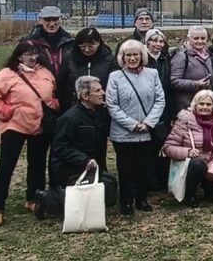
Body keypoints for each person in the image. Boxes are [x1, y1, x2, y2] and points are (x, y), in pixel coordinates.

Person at [0, 41, 60, 227]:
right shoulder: (7, 74)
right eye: (27, 54)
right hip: (15, 126)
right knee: (6, 166)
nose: (32, 57)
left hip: (40, 126)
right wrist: (6, 112)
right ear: (19, 56)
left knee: (37, 164)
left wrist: (54, 104)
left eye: (34, 53)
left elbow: (52, 93)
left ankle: (34, 199)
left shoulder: (45, 72)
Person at [32, 76, 117, 220]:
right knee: (105, 188)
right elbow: (60, 148)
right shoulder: (70, 118)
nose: (103, 93)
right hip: (69, 167)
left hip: (89, 165)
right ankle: (46, 200)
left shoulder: (98, 113)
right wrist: (84, 160)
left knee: (111, 185)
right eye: (98, 90)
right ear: (85, 96)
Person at [106, 40, 166, 216]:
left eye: (135, 55)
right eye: (128, 55)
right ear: (122, 57)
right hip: (123, 132)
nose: (132, 58)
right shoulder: (115, 77)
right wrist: (132, 124)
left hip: (147, 131)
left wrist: (148, 123)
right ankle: (126, 201)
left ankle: (142, 198)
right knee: (125, 168)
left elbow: (160, 100)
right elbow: (112, 105)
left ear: (142, 56)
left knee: (144, 166)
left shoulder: (152, 74)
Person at [163, 90, 213, 207]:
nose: (205, 107)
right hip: (192, 164)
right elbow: (168, 147)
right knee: (198, 164)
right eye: (201, 104)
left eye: (208, 104)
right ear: (195, 104)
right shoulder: (184, 121)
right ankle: (190, 194)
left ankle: (209, 190)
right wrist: (187, 152)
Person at [55, 27, 117, 170]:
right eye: (82, 46)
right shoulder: (69, 58)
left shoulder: (109, 59)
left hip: (99, 111)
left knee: (98, 146)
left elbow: (114, 84)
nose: (87, 50)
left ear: (99, 43)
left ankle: (100, 173)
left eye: (91, 45)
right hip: (74, 110)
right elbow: (61, 83)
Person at [144, 28, 174, 190]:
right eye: (154, 40)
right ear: (147, 42)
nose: (158, 44)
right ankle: (149, 179)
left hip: (165, 105)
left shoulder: (166, 59)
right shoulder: (143, 59)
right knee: (149, 146)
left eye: (161, 41)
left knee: (163, 142)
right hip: (147, 107)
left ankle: (162, 177)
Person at [170, 26, 213, 113]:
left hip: (205, 104)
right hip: (187, 105)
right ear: (188, 39)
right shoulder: (181, 56)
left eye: (203, 38)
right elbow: (174, 81)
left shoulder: (207, 54)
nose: (200, 41)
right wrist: (196, 84)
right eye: (196, 38)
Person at [21, 5, 74, 74]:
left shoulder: (70, 42)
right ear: (40, 20)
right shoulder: (29, 43)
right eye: (47, 19)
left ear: (61, 20)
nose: (52, 24)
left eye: (55, 19)